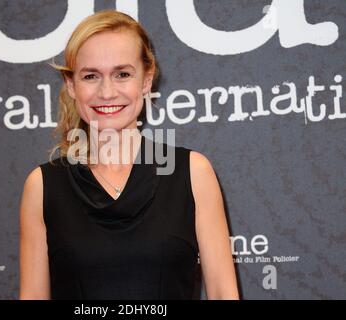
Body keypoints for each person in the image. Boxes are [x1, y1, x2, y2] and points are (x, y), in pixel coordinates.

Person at [19, 10, 239, 300]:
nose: (107, 92)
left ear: (146, 81)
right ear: (72, 85)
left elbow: (224, 294)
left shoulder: (192, 172)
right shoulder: (42, 186)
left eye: (122, 74)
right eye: (91, 76)